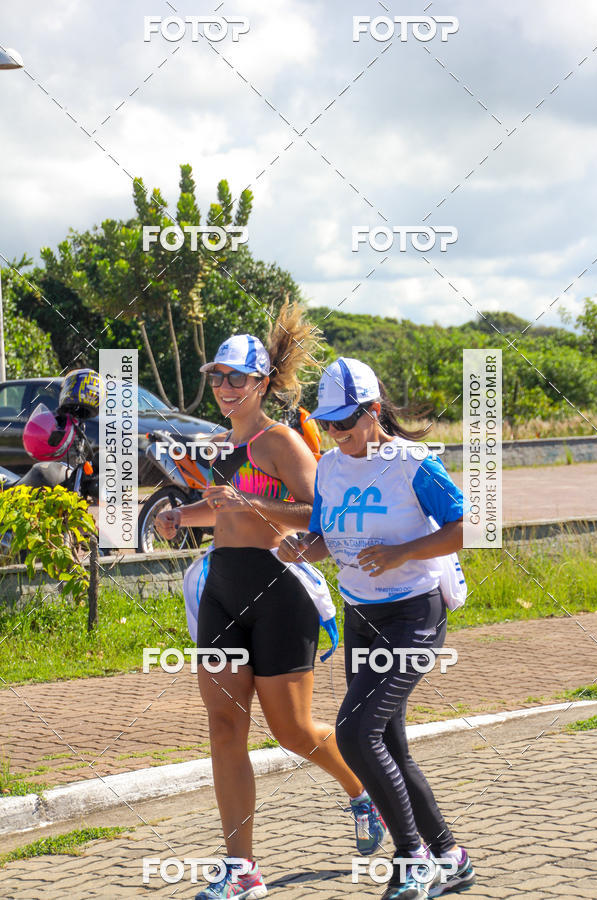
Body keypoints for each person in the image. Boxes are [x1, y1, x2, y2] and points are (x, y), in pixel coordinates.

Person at [156, 308, 386, 900]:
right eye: (218, 377)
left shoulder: (280, 441)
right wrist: (179, 516)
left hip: (280, 593)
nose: (226, 387)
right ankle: (242, 869)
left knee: (291, 730)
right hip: (222, 590)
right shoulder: (217, 445)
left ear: (261, 383)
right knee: (224, 726)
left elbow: (321, 513)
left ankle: (362, 792)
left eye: (238, 378)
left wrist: (250, 505)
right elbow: (221, 511)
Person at [279, 357, 476, 900]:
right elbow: (325, 536)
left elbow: (472, 525)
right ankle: (451, 857)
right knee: (388, 742)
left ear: (372, 411)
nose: (336, 433)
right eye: (328, 423)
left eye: (345, 421)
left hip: (414, 615)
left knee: (354, 731)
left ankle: (412, 858)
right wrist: (304, 548)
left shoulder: (412, 463)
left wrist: (402, 553)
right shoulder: (328, 467)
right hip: (361, 616)